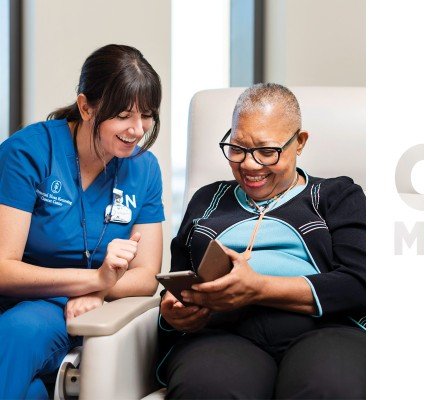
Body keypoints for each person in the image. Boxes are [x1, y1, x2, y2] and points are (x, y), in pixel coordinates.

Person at [157, 83, 365, 399]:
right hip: (223, 334)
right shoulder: (207, 200)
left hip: (325, 331)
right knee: (207, 389)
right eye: (237, 148)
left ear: (300, 143)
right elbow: (179, 281)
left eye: (267, 151)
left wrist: (258, 288)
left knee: (329, 386)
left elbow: (358, 283)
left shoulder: (337, 197)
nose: (249, 165)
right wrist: (175, 312)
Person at [0, 44, 165, 399]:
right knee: (23, 362)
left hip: (86, 310)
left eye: (147, 115)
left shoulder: (145, 169)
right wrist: (93, 280)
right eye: (123, 115)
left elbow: (147, 275)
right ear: (86, 106)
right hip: (21, 305)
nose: (137, 130)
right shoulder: (28, 152)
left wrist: (101, 291)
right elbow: (3, 269)